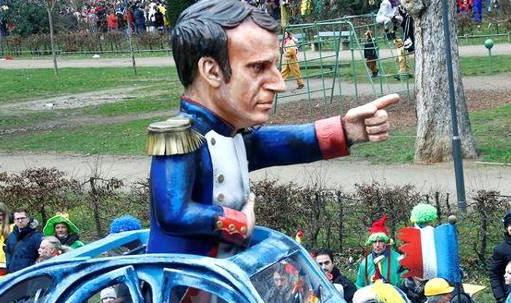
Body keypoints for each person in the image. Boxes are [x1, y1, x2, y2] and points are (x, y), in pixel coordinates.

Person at [147, 0, 398, 257]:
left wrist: (346, 130)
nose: (280, 84)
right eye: (258, 67)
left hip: (226, 273)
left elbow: (287, 144)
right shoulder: (180, 139)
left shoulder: (233, 134)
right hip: (179, 280)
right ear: (211, 71)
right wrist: (238, 223)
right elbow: (174, 214)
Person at [356, 215, 405, 288]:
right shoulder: (365, 263)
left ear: (386, 242)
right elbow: (359, 285)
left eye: (381, 241)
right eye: (374, 241)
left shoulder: (398, 259)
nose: (377, 245)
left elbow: (405, 284)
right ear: (371, 243)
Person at [5, 209, 42, 273]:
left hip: (29, 274)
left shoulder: (37, 236)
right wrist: (9, 264)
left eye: (22, 218)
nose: (20, 221)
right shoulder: (11, 236)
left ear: (28, 219)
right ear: (14, 221)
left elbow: (42, 255)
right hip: (13, 273)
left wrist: (33, 268)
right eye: (17, 219)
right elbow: (8, 251)